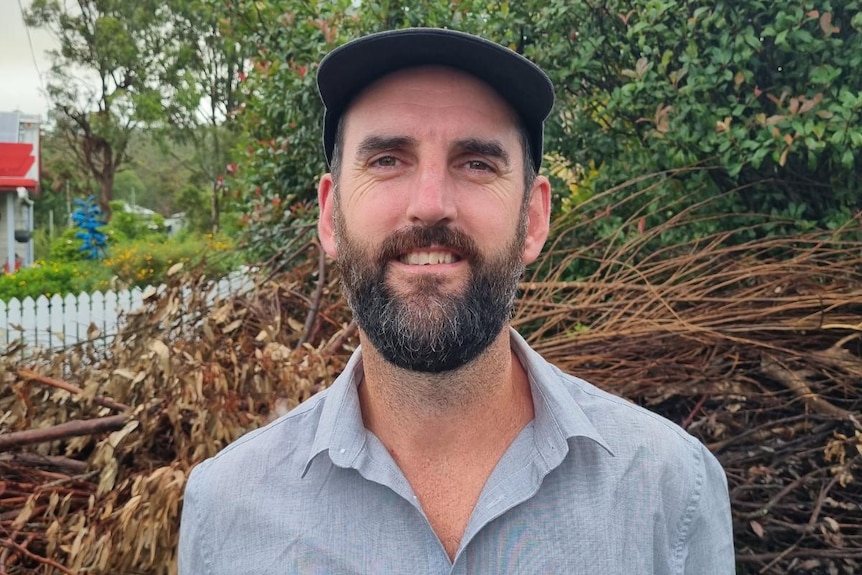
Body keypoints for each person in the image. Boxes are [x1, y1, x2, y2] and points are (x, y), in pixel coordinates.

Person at [178, 28, 734, 574]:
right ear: (330, 214)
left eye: (476, 164)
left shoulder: (672, 489)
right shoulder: (226, 512)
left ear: (534, 218)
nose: (430, 205)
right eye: (388, 160)